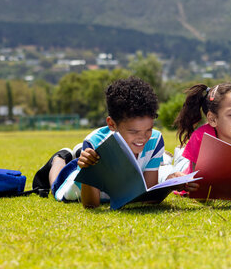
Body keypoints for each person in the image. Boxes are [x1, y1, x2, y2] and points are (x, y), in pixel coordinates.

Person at [33, 76, 165, 209]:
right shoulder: (95, 142)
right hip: (78, 188)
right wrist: (87, 169)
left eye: (148, 129)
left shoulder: (155, 140)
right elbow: (91, 204)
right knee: (56, 184)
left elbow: (150, 196)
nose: (143, 138)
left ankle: (79, 155)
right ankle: (60, 158)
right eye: (134, 132)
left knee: (84, 157)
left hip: (116, 188)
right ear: (112, 124)